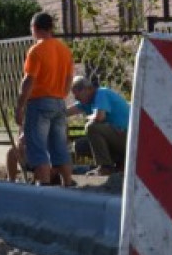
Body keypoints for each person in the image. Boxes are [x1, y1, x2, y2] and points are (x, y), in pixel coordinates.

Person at [14, 12, 75, 186]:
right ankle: (68, 182)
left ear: (35, 28)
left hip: (39, 102)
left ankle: (45, 185)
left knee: (37, 147)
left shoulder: (36, 50)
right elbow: (69, 78)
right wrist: (62, 94)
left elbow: (29, 80)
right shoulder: (64, 49)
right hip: (59, 101)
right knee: (60, 147)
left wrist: (20, 106)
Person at [68, 75, 130, 175]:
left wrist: (87, 118)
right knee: (80, 145)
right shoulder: (87, 101)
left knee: (92, 127)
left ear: (85, 89)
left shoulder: (101, 93)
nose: (76, 98)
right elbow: (67, 111)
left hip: (127, 137)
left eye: (77, 95)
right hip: (117, 137)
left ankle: (105, 167)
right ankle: (119, 164)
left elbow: (100, 116)